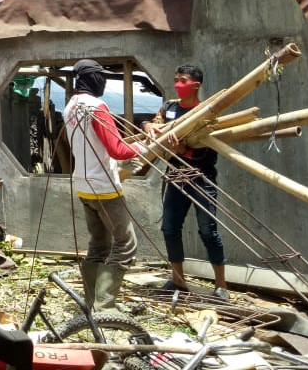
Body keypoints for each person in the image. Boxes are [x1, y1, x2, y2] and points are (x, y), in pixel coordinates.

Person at [64, 59, 148, 312]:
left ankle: (90, 302)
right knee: (125, 245)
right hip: (105, 187)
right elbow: (118, 150)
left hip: (83, 184)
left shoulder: (70, 106)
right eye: (101, 77)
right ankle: (105, 305)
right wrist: (142, 148)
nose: (104, 81)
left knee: (98, 244)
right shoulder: (97, 107)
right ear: (93, 79)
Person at [143, 64, 228, 300]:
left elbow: (210, 151)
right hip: (174, 177)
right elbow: (152, 122)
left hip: (200, 177)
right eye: (176, 80)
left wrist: (184, 149)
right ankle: (178, 281)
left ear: (196, 85)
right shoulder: (169, 107)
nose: (178, 85)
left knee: (208, 232)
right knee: (169, 228)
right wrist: (150, 126)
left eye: (183, 80)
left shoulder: (205, 112)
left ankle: (221, 286)